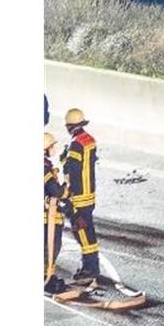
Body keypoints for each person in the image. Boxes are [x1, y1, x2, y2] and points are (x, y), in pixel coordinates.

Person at [62, 108, 102, 283]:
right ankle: (93, 266)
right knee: (89, 231)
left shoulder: (75, 144)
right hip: (90, 194)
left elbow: (72, 171)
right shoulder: (89, 140)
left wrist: (70, 198)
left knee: (82, 233)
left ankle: (90, 268)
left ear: (69, 126)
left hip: (79, 197)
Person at [44, 132, 69, 294]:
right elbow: (56, 191)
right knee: (50, 248)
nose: (54, 148)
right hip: (48, 218)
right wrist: (66, 185)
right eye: (52, 146)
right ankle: (47, 280)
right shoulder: (43, 167)